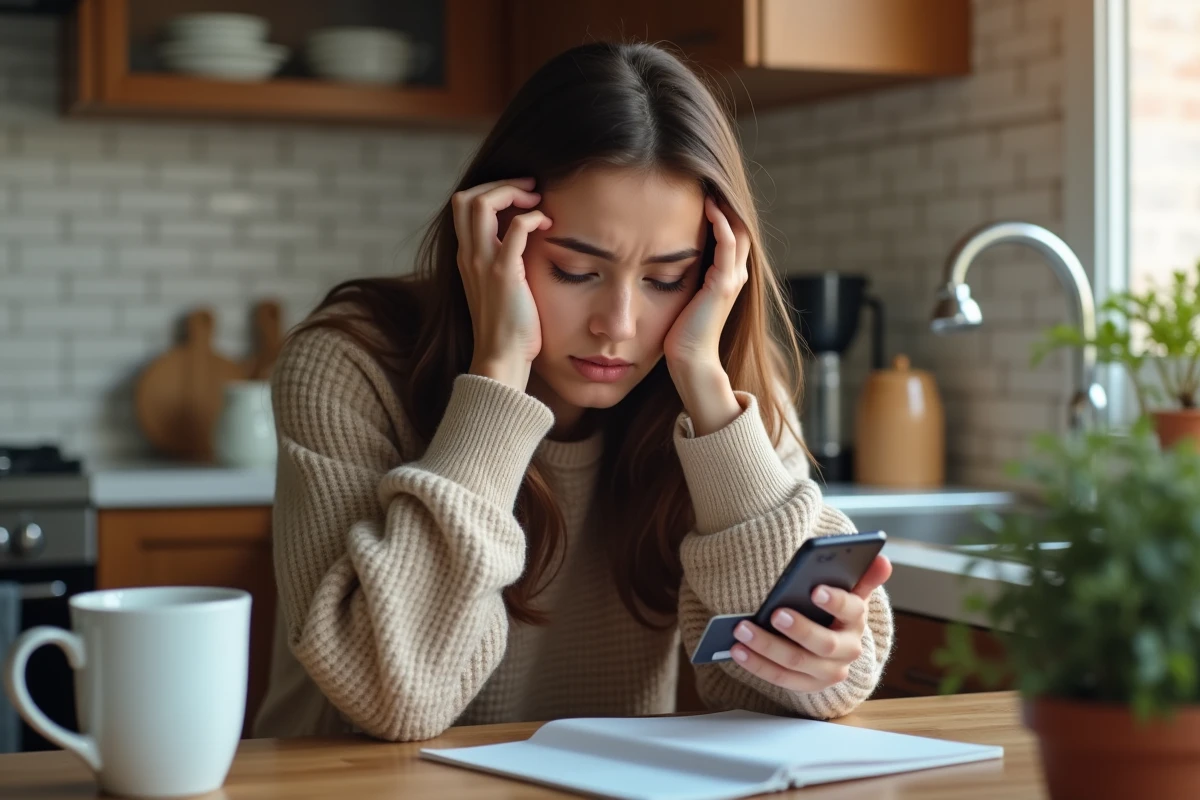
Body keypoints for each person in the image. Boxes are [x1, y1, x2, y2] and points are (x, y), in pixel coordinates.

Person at [253, 41, 894, 743]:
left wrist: (710, 398)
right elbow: (389, 696)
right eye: (574, 271)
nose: (618, 327)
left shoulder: (720, 377)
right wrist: (497, 373)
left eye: (665, 279)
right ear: (492, 239)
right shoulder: (349, 365)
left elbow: (805, 691)